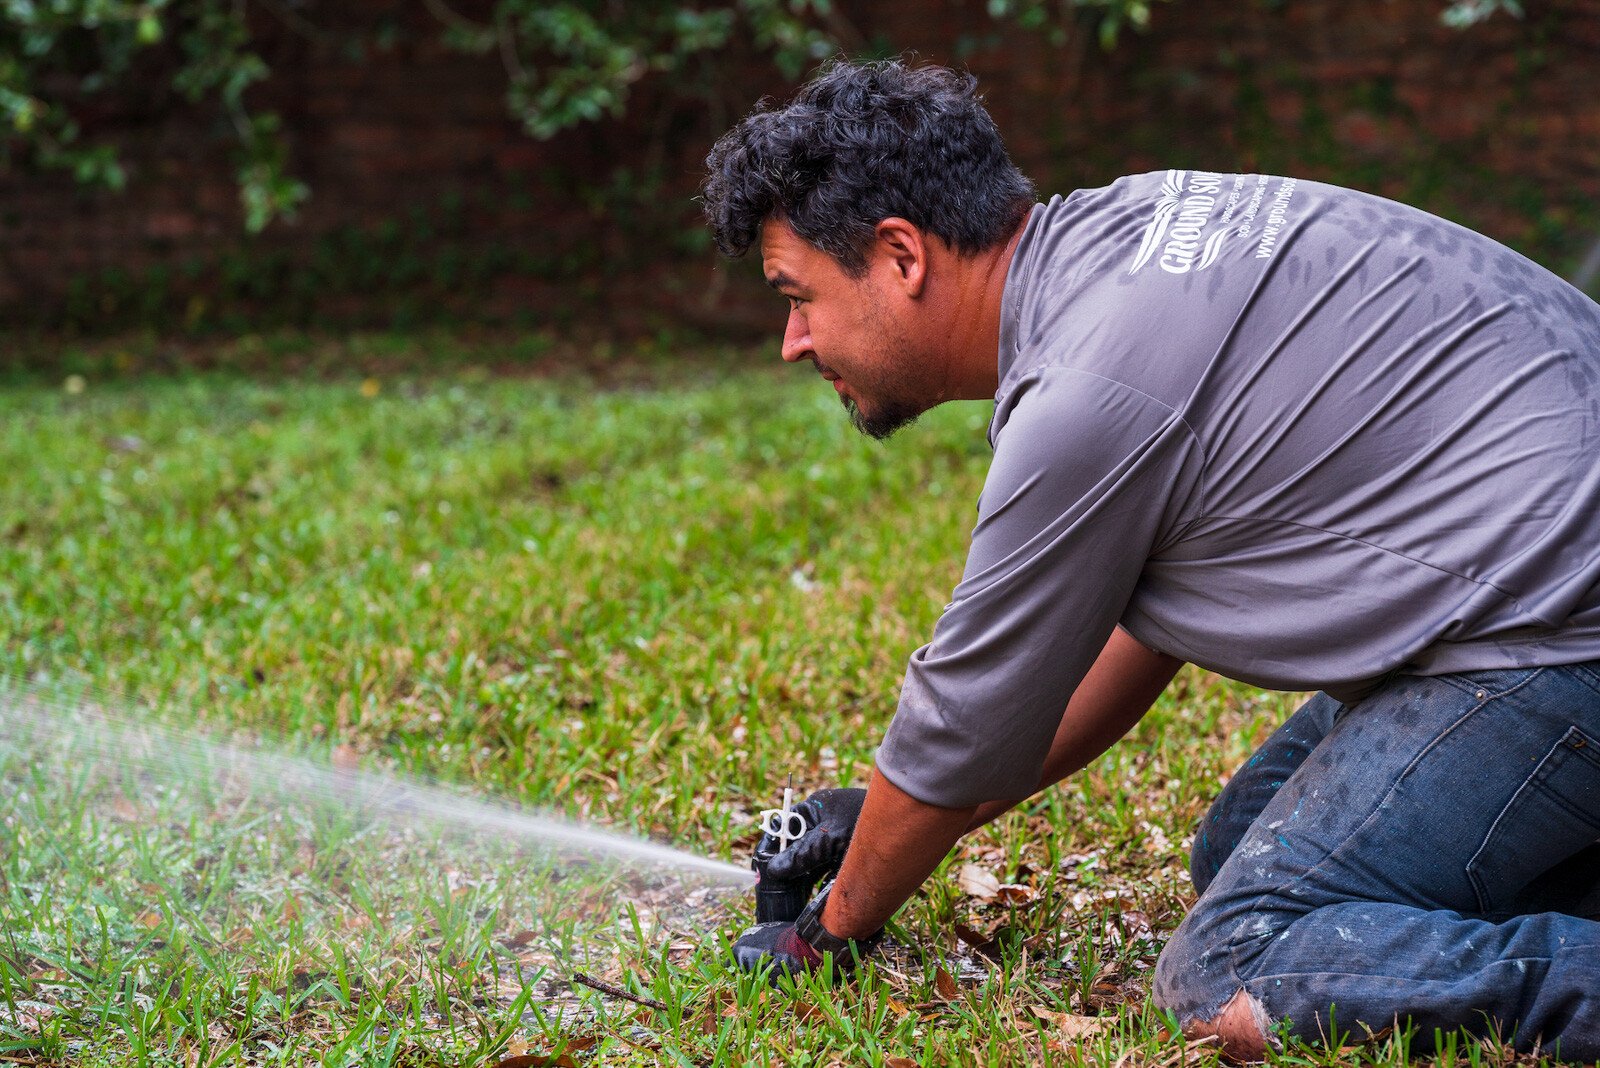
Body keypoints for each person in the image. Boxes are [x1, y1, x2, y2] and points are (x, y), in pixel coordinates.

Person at [700, 58, 1600, 1059]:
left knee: (1234, 969)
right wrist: (884, 822)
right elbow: (1083, 669)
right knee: (1234, 852)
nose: (791, 341)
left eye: (798, 296)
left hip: (1560, 637)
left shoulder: (1087, 391)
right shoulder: (1125, 239)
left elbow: (963, 720)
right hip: (1540, 600)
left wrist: (827, 930)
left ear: (900, 255)